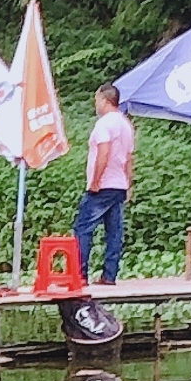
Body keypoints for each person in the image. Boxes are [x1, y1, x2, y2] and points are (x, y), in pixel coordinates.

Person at [77, 85, 136, 286]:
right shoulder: (126, 125)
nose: (96, 104)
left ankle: (80, 274)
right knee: (114, 231)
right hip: (119, 184)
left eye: (96, 100)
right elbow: (128, 158)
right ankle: (109, 275)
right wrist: (128, 184)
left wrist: (95, 181)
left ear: (104, 100)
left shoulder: (104, 124)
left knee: (83, 227)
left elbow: (104, 153)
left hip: (103, 185)